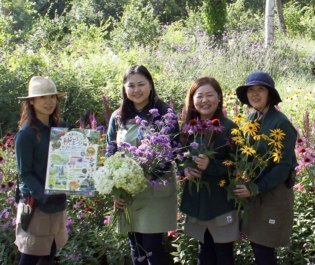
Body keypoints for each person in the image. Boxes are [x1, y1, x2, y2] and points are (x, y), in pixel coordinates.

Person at [106, 65, 178, 265]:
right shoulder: (117, 117)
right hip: (128, 193)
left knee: (153, 248)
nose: (136, 90)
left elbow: (172, 151)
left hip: (155, 191)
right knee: (135, 246)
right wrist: (116, 190)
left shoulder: (164, 115)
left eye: (141, 84)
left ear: (150, 85)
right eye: (131, 85)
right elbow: (110, 153)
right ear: (124, 88)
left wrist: (148, 175)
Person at [234, 71, 297, 265]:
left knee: (264, 248)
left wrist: (254, 188)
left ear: (270, 93)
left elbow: (283, 168)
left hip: (272, 193)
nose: (254, 94)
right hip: (253, 193)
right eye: (251, 90)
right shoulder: (251, 119)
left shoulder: (281, 123)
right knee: (257, 244)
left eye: (260, 89)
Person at [179, 77, 239, 265]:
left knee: (223, 254)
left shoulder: (229, 128)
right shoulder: (188, 128)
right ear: (192, 100)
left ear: (219, 98)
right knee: (204, 252)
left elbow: (239, 164)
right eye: (199, 96)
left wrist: (211, 166)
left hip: (220, 202)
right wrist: (185, 170)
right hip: (199, 202)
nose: (204, 100)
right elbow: (179, 158)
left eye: (209, 95)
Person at [15, 76, 68, 265]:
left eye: (52, 97)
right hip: (37, 205)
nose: (49, 102)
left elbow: (69, 163)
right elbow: (25, 173)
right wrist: (43, 194)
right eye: (43, 97)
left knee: (49, 254)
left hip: (58, 201)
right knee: (30, 256)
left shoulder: (61, 129)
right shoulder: (26, 134)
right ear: (31, 101)